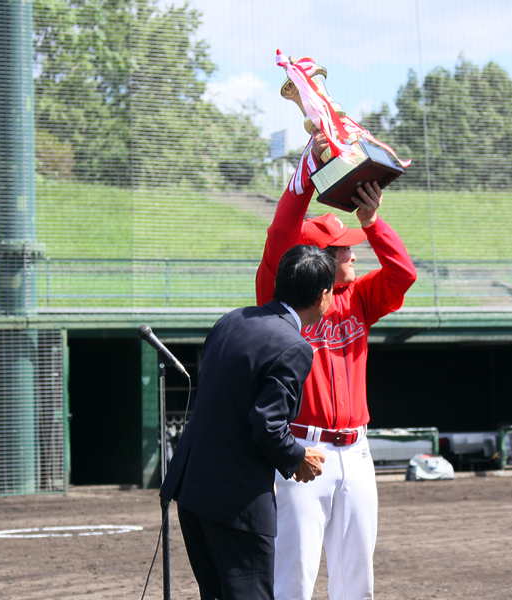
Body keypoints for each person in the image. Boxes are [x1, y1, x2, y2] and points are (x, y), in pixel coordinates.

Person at [256, 133, 417, 600]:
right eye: (343, 247)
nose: (353, 251)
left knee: (356, 582)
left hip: (358, 453)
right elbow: (279, 237)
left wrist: (372, 222)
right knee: (294, 578)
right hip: (302, 451)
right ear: (319, 261)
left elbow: (403, 274)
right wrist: (305, 175)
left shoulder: (358, 297)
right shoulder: (280, 301)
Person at [161, 244, 335, 600]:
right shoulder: (294, 345)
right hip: (236, 502)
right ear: (322, 296)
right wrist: (297, 457)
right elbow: (268, 426)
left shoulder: (231, 320)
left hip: (192, 489)